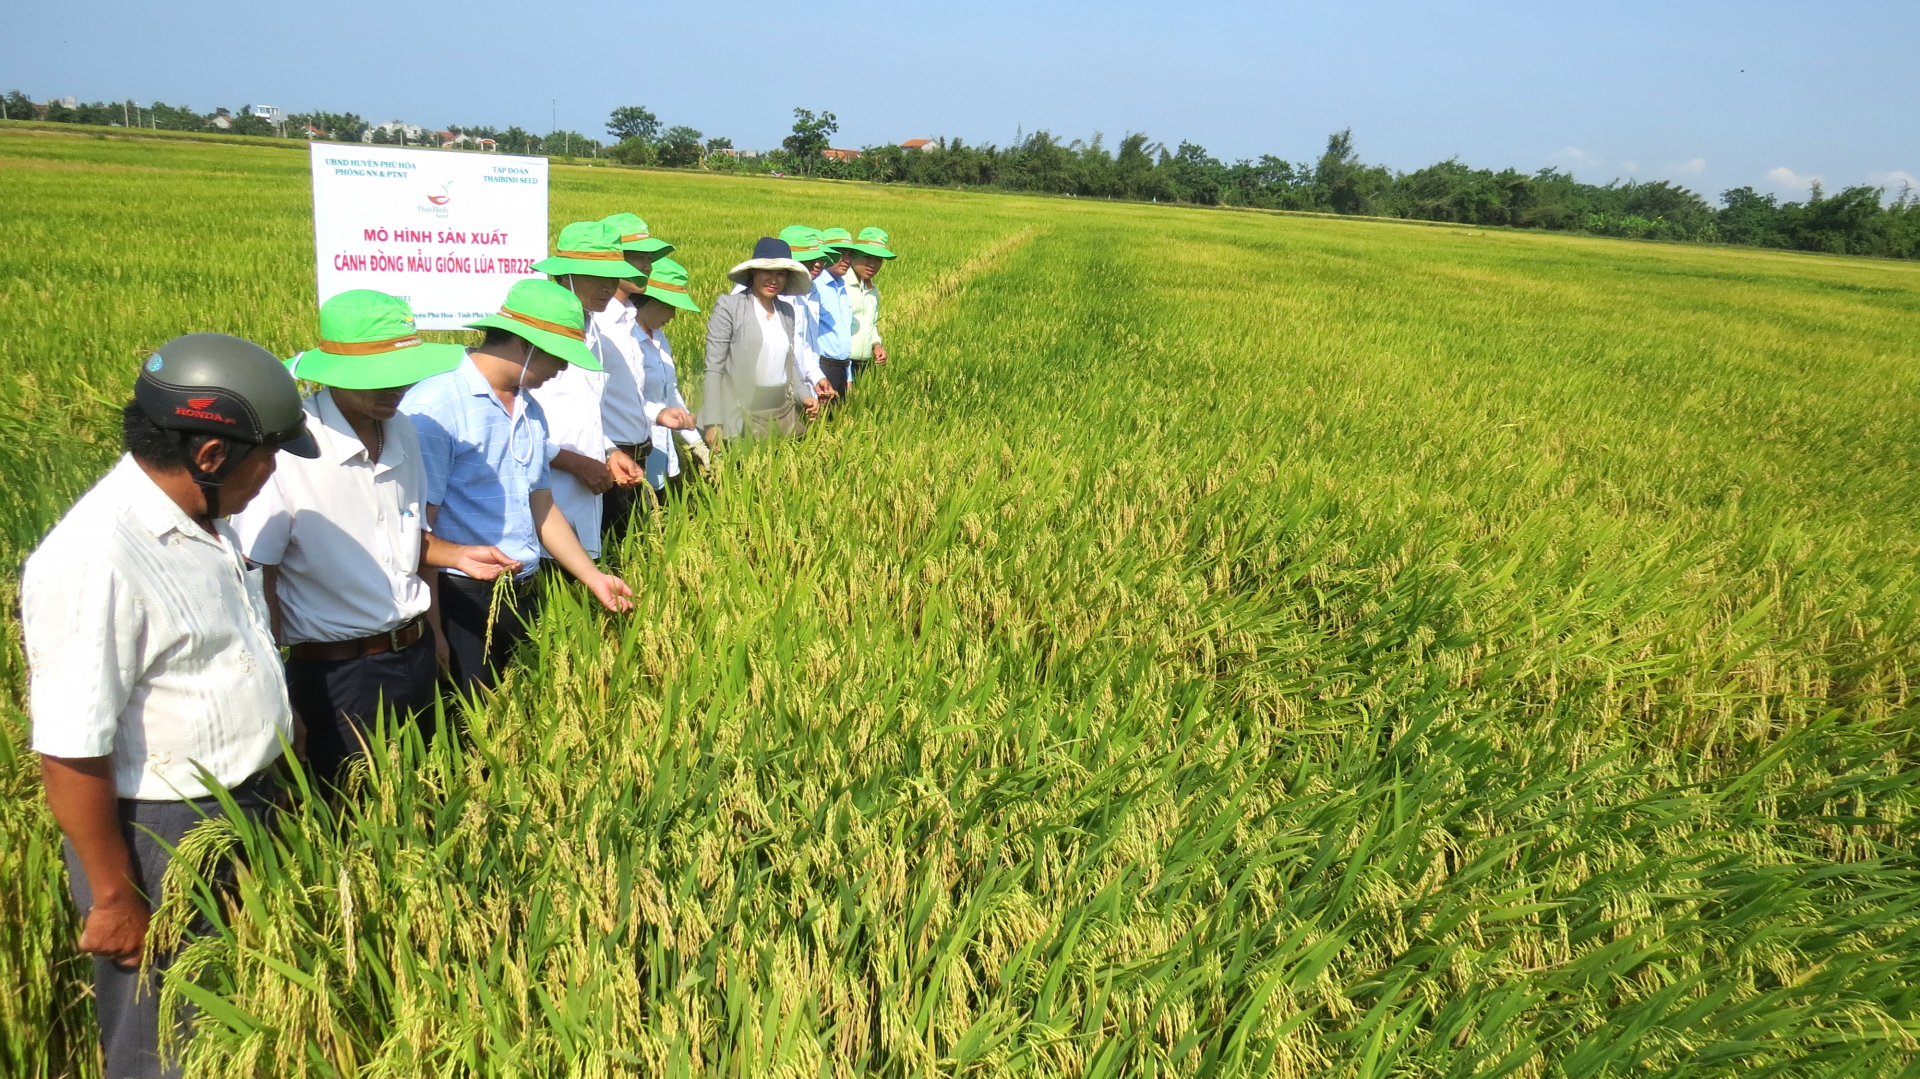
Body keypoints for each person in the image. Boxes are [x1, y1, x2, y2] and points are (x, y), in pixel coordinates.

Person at [23, 333, 319, 1079]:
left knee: (243, 1007)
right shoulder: (97, 555)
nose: (273, 473)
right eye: (269, 455)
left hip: (246, 803)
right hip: (163, 835)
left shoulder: (199, 517)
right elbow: (69, 745)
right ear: (212, 455)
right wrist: (115, 894)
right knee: (169, 1038)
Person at [231, 290, 520, 791]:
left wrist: (455, 558)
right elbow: (257, 580)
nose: (396, 389)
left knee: (425, 799)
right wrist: (278, 697)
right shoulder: (288, 451)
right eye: (378, 379)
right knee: (353, 819)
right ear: (331, 372)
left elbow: (405, 538)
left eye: (404, 373)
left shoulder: (401, 429)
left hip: (415, 651)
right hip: (337, 674)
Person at [401, 278, 635, 693]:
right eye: (559, 357)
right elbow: (422, 535)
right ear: (527, 345)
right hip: (462, 599)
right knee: (474, 725)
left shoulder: (529, 408)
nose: (562, 369)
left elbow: (541, 505)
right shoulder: (436, 407)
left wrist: (593, 576)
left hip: (522, 588)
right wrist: (433, 630)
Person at [526, 220, 647, 559]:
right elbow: (514, 423)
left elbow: (583, 412)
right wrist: (571, 462)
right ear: (565, 275)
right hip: (543, 503)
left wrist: (609, 451)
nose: (608, 287)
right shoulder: (540, 332)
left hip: (583, 500)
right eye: (597, 276)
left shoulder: (592, 327)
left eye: (613, 277)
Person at [699, 237, 819, 445]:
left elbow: (790, 363)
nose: (774, 280)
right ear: (753, 272)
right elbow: (713, 368)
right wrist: (713, 422)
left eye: (781, 274)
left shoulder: (787, 312)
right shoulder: (730, 307)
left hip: (779, 411)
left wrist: (805, 396)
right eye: (767, 271)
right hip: (739, 411)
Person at [626, 257, 707, 503]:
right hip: (633, 451)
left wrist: (695, 441)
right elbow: (623, 398)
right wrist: (660, 414)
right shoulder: (626, 338)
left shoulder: (660, 337)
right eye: (669, 306)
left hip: (662, 448)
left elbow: (670, 392)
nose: (673, 315)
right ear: (648, 300)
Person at [844, 228, 897, 384]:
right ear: (854, 256)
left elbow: (871, 323)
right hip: (841, 365)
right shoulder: (841, 286)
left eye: (878, 260)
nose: (873, 264)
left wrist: (877, 345)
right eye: (867, 257)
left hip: (862, 365)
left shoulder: (873, 290)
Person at [812, 227, 856, 397]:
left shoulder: (841, 286)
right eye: (840, 253)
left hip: (842, 369)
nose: (846, 260)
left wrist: (848, 375)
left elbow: (844, 335)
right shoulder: (816, 286)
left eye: (850, 254)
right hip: (822, 369)